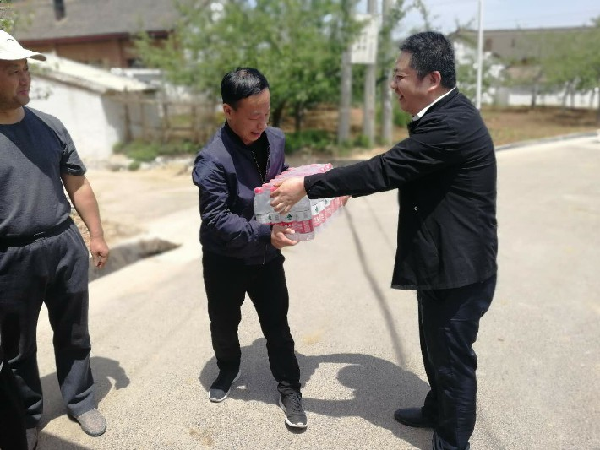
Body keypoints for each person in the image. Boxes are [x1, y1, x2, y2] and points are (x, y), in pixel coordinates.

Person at [270, 31, 497, 450]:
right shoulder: (443, 115)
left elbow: (384, 170)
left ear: (431, 79)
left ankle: (452, 442)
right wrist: (340, 188)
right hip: (442, 262)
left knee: (452, 362)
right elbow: (398, 169)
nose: (393, 85)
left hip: (459, 268)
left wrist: (308, 185)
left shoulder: (451, 125)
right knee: (435, 349)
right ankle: (436, 410)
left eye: (400, 76)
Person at [0, 30, 109, 449]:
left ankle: (81, 400)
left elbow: (77, 185)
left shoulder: (50, 126)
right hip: (10, 256)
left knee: (74, 332)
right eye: (13, 71)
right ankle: (27, 415)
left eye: (25, 69)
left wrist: (95, 234)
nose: (24, 78)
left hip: (63, 243)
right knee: (16, 347)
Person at [191, 68, 308, 429]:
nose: (262, 123)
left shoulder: (275, 139)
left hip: (266, 256)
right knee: (224, 322)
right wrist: (264, 233)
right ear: (228, 111)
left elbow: (281, 177)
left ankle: (289, 388)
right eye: (254, 115)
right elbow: (215, 217)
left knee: (277, 323)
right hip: (225, 259)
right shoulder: (212, 159)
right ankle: (228, 368)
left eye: (267, 112)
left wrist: (318, 192)